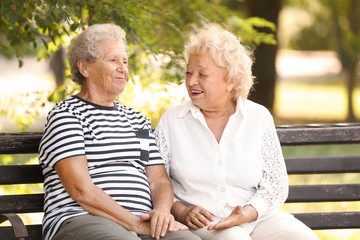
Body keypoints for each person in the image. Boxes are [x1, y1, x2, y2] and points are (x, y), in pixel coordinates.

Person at [154, 23, 319, 240]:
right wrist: (182, 210)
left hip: (257, 218)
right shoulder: (172, 121)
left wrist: (248, 214)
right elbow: (155, 180)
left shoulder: (258, 117)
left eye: (202, 74)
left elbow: (276, 184)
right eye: (189, 72)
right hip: (206, 223)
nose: (191, 81)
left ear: (231, 80)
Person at [38, 23, 201, 240]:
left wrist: (162, 212)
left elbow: (159, 181)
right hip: (82, 219)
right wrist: (133, 223)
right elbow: (81, 190)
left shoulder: (137, 120)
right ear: (84, 68)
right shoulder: (66, 115)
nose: (123, 69)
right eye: (113, 60)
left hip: (140, 222)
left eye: (125, 61)